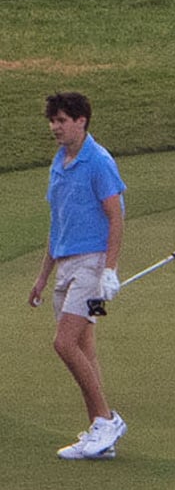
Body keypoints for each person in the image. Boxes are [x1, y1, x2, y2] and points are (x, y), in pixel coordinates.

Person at [28, 92, 128, 458]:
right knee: (85, 348)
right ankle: (100, 437)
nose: (55, 127)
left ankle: (107, 419)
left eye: (61, 120)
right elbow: (58, 225)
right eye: (52, 120)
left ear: (81, 121)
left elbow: (116, 217)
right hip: (66, 268)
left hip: (93, 266)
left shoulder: (99, 162)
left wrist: (110, 271)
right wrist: (42, 277)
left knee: (65, 343)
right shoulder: (60, 161)